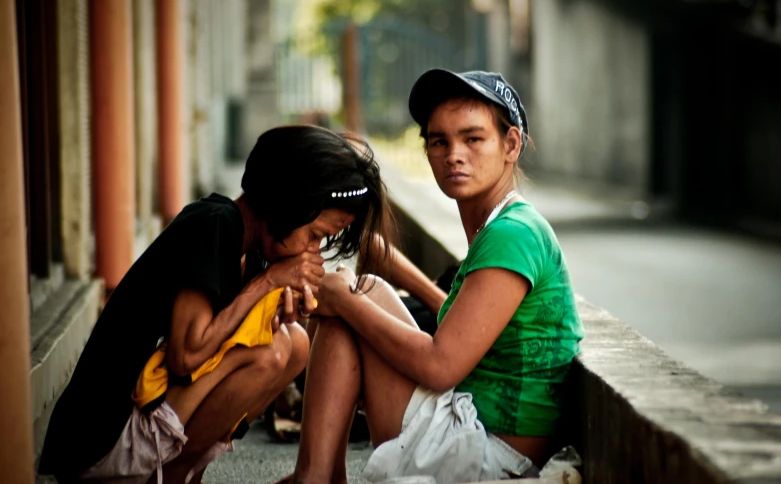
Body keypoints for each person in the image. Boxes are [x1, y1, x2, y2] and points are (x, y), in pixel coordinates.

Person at [37, 125, 395, 484]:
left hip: (138, 428)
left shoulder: (248, 248)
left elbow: (221, 346)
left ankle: (187, 472)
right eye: (315, 235)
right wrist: (266, 284)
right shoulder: (214, 226)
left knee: (294, 343)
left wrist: (273, 310)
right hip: (101, 444)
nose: (313, 251)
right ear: (287, 203)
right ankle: (174, 475)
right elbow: (187, 355)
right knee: (271, 352)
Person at [284, 69, 585, 483]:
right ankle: (320, 474)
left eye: (473, 138)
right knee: (363, 288)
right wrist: (351, 297)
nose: (453, 154)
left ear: (510, 144)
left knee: (349, 302)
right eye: (438, 141)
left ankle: (315, 476)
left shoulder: (513, 235)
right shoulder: (500, 228)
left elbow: (442, 367)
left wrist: (344, 302)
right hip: (478, 432)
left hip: (492, 457)